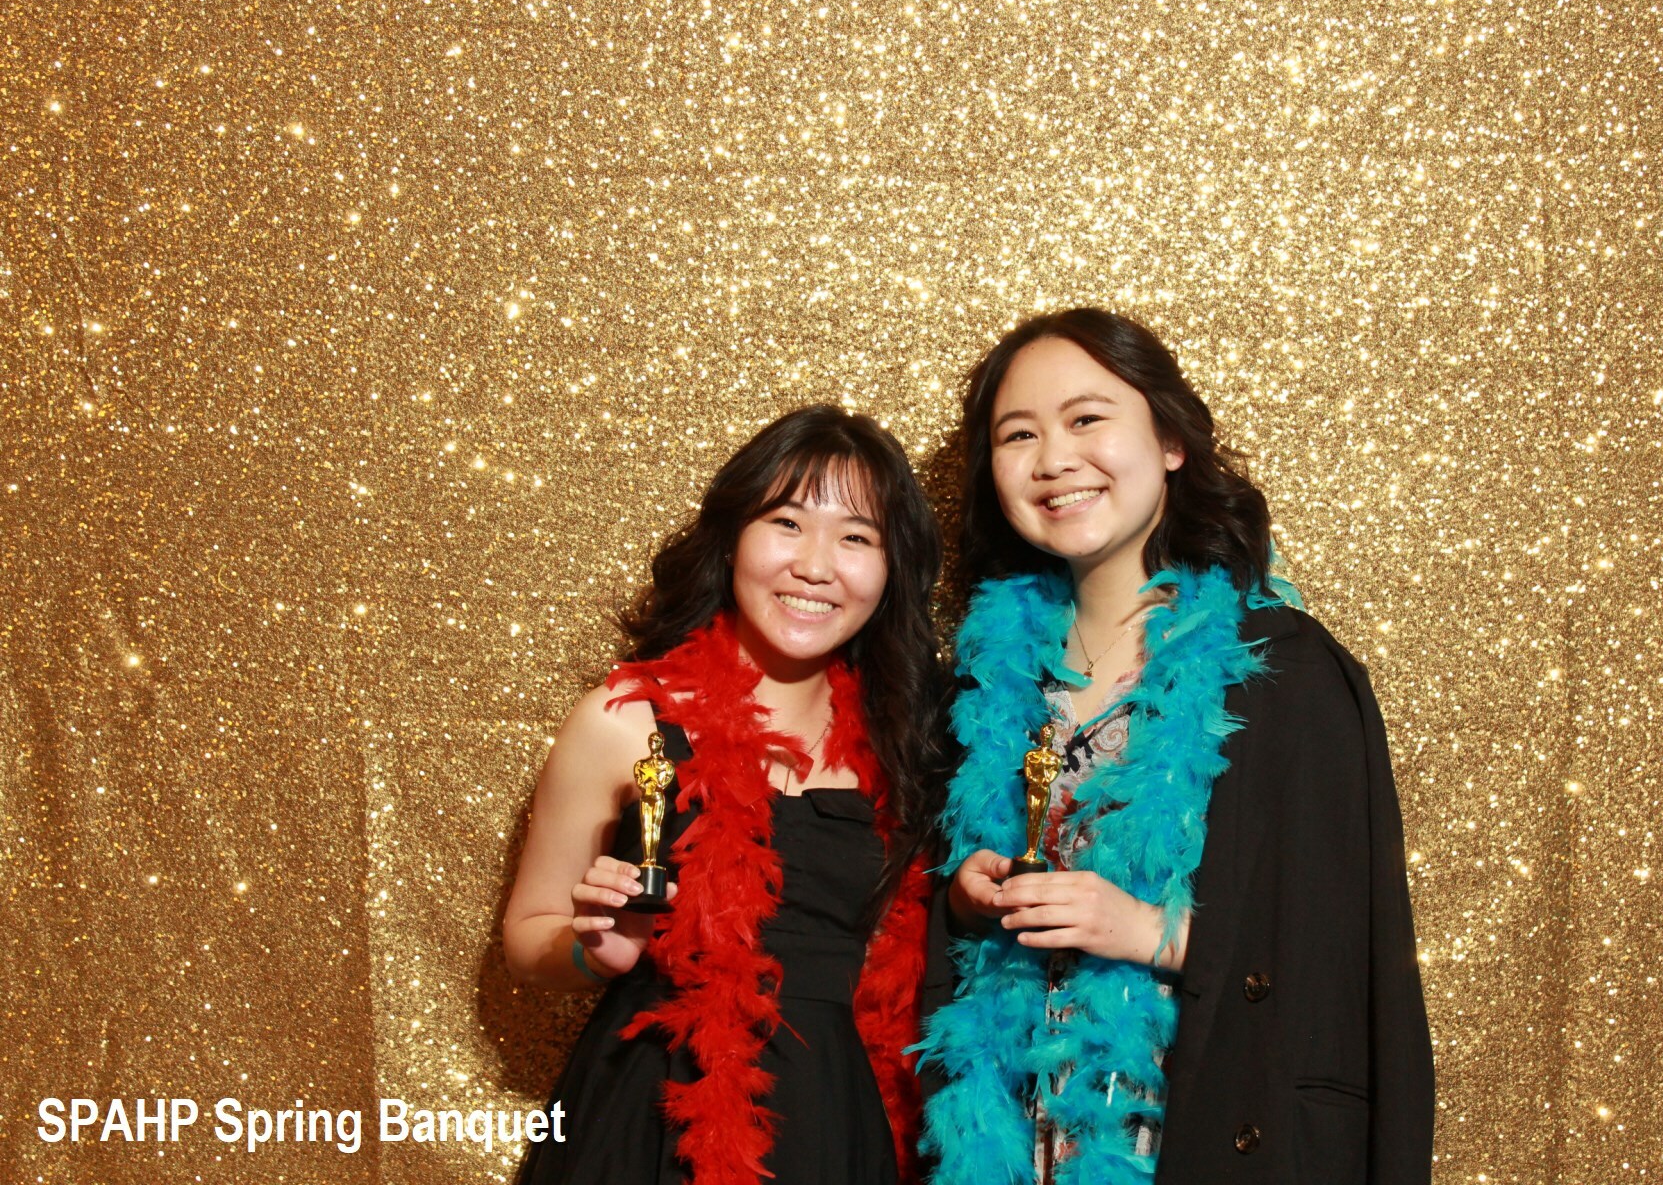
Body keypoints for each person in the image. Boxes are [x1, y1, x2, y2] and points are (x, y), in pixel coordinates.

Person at [914, 309, 1434, 1184]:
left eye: (1086, 419)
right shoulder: (973, 686)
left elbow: (1344, 962)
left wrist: (1151, 933)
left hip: (1198, 1136)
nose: (1054, 459)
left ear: (1170, 442)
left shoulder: (1286, 675)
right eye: (1018, 434)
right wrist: (964, 903)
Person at [503, 405, 944, 1185]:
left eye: (856, 537)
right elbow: (526, 939)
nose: (816, 565)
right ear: (733, 536)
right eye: (787, 523)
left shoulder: (905, 744)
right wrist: (592, 950)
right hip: (651, 1124)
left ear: (891, 570)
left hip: (833, 1124)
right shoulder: (625, 719)